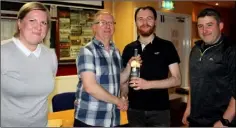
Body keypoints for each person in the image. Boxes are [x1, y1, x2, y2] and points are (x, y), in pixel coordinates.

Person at [74, 10, 141, 127]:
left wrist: (129, 66)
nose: (108, 26)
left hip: (112, 118)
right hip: (90, 119)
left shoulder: (115, 51)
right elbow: (90, 87)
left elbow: (118, 80)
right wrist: (118, 101)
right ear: (94, 27)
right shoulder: (87, 51)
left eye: (111, 23)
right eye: (103, 22)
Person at [121, 6, 181, 127]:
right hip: (134, 111)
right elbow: (124, 81)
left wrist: (147, 84)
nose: (145, 23)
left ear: (155, 21)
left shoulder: (167, 46)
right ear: (136, 22)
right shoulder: (128, 48)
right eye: (140, 19)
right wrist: (123, 95)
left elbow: (177, 79)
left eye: (149, 18)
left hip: (160, 111)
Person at [1, 2, 58, 127]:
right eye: (32, 20)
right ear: (20, 23)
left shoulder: (50, 55)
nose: (38, 27)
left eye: (43, 23)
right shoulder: (3, 52)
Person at [182, 8, 236, 127]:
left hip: (220, 121)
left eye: (209, 25)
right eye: (200, 26)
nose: (204, 30)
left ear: (220, 26)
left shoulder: (230, 51)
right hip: (196, 120)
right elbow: (193, 83)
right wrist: (188, 109)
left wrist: (225, 121)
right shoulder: (195, 50)